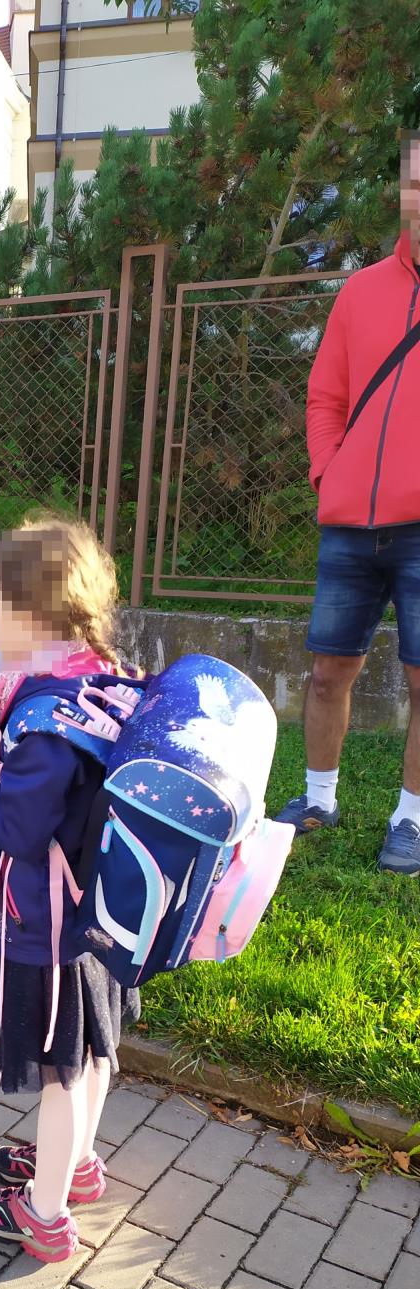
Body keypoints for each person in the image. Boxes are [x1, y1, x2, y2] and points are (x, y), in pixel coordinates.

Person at [0, 517, 127, 1263]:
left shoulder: (48, 721)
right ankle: (72, 1167)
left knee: (59, 1072)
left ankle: (43, 1215)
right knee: (93, 1055)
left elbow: (18, 821)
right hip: (100, 917)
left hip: (48, 928)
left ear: (35, 615)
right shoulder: (91, 677)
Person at [275, 131, 420, 874]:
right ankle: (320, 797)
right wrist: (328, 474)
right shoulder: (361, 292)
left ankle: (411, 819)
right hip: (350, 525)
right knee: (329, 671)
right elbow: (326, 396)